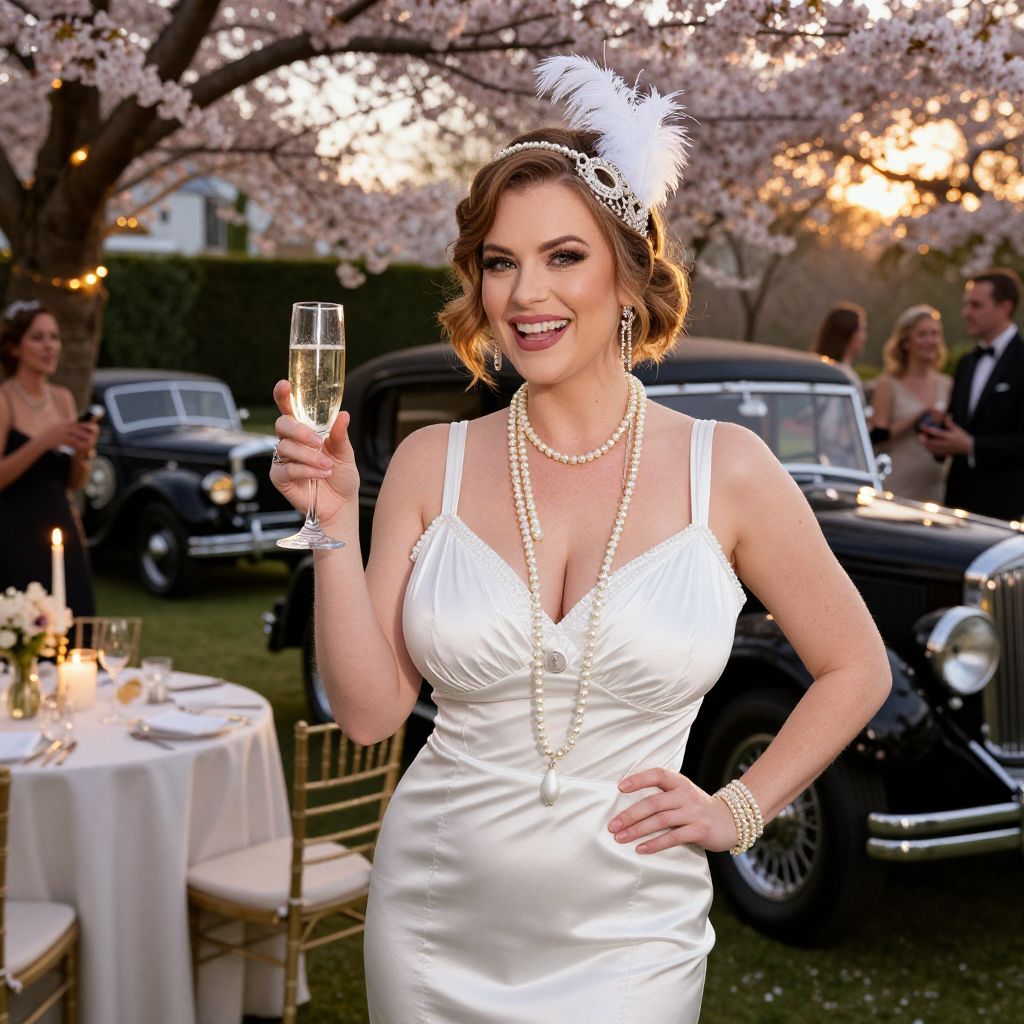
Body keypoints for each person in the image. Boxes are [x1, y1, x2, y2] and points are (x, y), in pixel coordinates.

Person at [270, 56, 891, 1023]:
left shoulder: (726, 469)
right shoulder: (432, 464)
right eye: (500, 262)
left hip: (633, 938)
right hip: (434, 920)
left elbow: (857, 667)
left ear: (628, 278)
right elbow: (367, 715)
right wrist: (333, 525)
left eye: (563, 256)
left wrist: (736, 808)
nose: (526, 293)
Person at [0, 300, 98, 617]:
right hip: (15, 532)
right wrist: (44, 441)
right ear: (14, 347)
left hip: (61, 528)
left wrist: (84, 451)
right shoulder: (4, 400)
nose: (49, 346)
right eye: (37, 337)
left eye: (54, 337)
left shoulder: (63, 398)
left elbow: (74, 482)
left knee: (73, 623)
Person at [920, 268, 1024, 520]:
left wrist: (972, 446)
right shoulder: (966, 363)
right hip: (957, 503)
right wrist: (939, 435)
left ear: (1005, 307)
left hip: (1003, 507)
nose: (966, 313)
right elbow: (959, 424)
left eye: (976, 305)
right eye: (966, 304)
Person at [869, 305, 953, 503]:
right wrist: (918, 416)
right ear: (906, 342)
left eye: (935, 334)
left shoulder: (948, 384)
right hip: (898, 486)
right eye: (923, 334)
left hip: (935, 489)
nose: (930, 341)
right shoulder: (888, 384)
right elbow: (878, 437)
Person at [811, 301, 868, 405]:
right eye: (861, 330)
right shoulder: (842, 377)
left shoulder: (817, 371)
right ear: (849, 334)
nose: (864, 337)